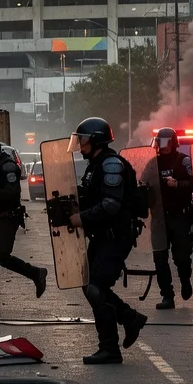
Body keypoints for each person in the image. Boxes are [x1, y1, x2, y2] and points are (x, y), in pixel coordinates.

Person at [71, 117, 149, 365]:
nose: (80, 144)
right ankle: (129, 317)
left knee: (96, 287)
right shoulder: (95, 165)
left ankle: (110, 349)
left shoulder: (111, 165)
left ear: (95, 140)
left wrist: (81, 218)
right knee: (89, 285)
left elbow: (111, 205)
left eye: (82, 140)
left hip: (116, 237)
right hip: (102, 237)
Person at [0, 132, 49, 310]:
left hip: (7, 217)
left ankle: (36, 273)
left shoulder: (8, 167)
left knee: (3, 257)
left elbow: (12, 193)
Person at [152, 127, 193, 310]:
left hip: (180, 215)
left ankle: (185, 280)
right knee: (160, 258)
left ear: (173, 143)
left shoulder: (183, 161)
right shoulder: (152, 163)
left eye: (166, 143)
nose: (163, 147)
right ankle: (167, 296)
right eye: (160, 143)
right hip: (160, 217)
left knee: (181, 257)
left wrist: (178, 184)